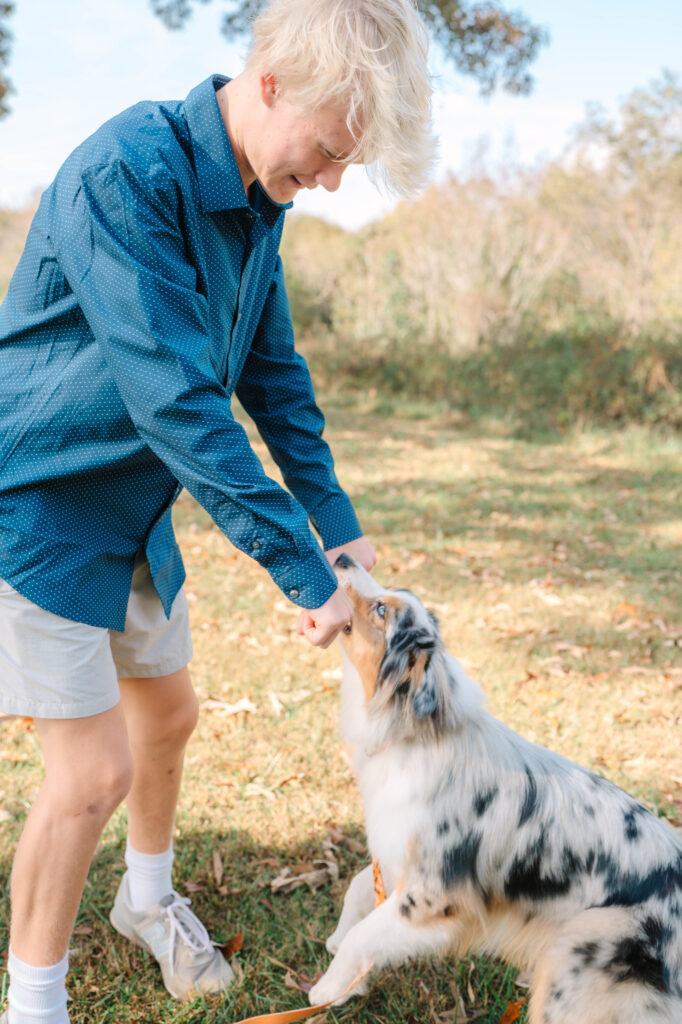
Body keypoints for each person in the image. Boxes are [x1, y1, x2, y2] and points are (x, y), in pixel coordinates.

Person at [0, 0, 434, 1019]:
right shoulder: (126, 175)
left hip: (138, 514)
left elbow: (269, 375)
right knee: (91, 770)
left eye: (344, 166)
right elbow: (178, 398)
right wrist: (299, 568)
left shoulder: (257, 199)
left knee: (171, 713)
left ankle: (145, 902)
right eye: (327, 152)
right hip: (39, 509)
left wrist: (334, 521)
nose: (329, 182)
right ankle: (34, 999)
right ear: (271, 82)